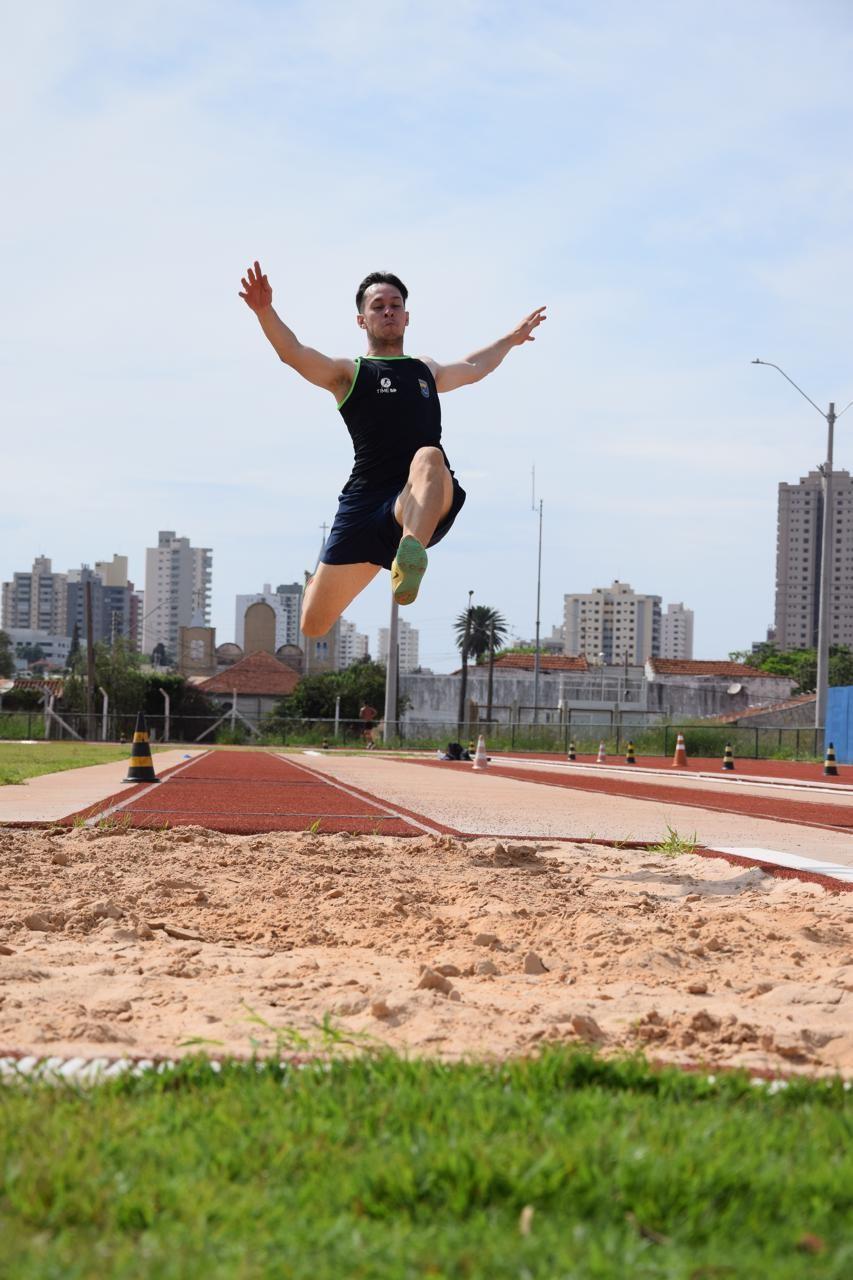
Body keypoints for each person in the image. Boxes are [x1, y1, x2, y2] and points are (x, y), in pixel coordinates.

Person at [239, 262, 546, 637]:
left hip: (423, 498)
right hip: (366, 502)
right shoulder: (349, 373)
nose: (388, 311)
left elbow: (473, 365)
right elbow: (294, 353)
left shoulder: (425, 370)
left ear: (407, 316)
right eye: (378, 305)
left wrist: (511, 339)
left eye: (395, 304)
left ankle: (410, 554)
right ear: (361, 320)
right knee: (312, 625)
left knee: (429, 456)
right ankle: (327, 582)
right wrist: (264, 311)